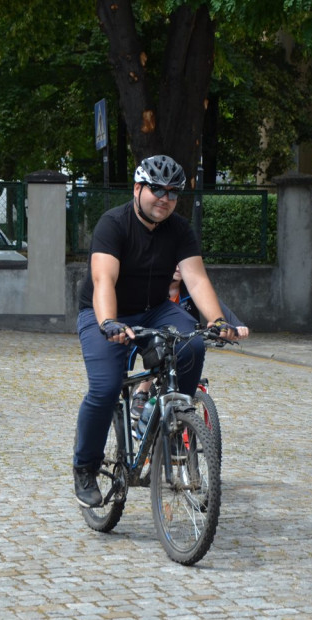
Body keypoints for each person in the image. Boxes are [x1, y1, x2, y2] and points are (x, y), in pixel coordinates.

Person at [72, 155, 241, 508]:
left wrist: (217, 320)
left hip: (155, 309)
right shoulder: (113, 224)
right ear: (138, 189)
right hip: (105, 312)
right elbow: (104, 279)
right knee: (104, 388)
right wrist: (108, 322)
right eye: (156, 189)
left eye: (172, 193)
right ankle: (85, 467)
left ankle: (178, 418)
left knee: (193, 344)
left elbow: (196, 279)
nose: (164, 198)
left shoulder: (179, 230)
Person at [129, 268, 250, 418]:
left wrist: (236, 324)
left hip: (186, 337)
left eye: (182, 263)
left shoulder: (190, 289)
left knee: (190, 354)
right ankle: (142, 390)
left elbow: (217, 305)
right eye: (175, 263)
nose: (179, 268)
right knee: (162, 349)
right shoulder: (156, 290)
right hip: (155, 336)